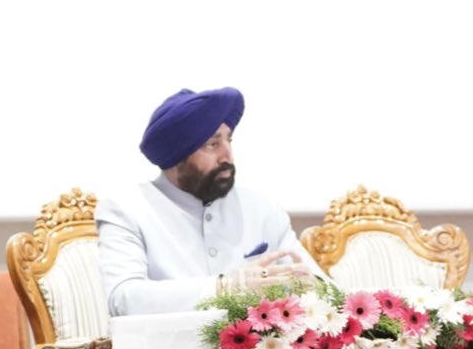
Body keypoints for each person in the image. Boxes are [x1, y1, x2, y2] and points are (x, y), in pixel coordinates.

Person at [97, 87, 319, 317]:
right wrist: (224, 288)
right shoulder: (126, 209)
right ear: (176, 156)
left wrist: (308, 285)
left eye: (228, 140)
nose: (228, 156)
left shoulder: (260, 206)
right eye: (212, 145)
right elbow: (124, 298)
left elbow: (322, 285)